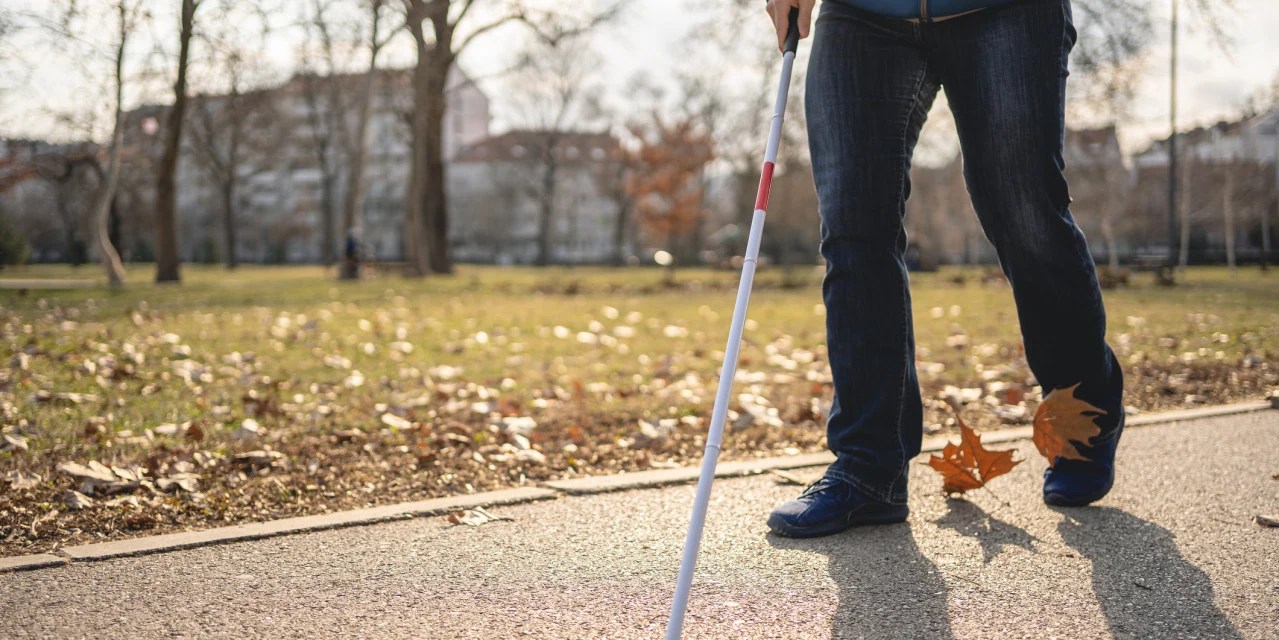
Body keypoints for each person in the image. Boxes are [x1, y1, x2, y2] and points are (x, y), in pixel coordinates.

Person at [764, 0, 1126, 538]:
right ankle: (869, 468)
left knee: (1023, 211)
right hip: (863, 13)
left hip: (1004, 10)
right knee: (853, 225)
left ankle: (1084, 417)